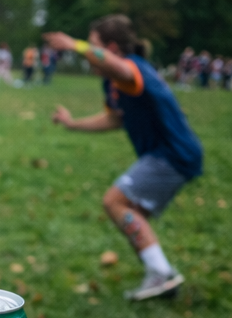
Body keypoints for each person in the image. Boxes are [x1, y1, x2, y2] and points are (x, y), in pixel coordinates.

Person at [45, 15, 203, 301]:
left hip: (173, 153)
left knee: (115, 201)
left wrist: (74, 44)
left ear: (112, 48)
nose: (85, 54)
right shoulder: (112, 82)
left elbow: (121, 69)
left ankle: (162, 274)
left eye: (92, 46)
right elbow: (115, 119)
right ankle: (159, 275)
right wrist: (73, 124)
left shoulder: (130, 68)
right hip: (169, 153)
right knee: (129, 209)